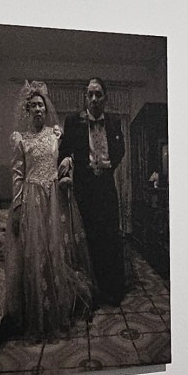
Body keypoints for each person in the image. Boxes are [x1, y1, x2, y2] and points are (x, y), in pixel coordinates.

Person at [6, 81, 92, 336]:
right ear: (27, 111)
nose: (37, 110)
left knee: (58, 250)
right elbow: (17, 175)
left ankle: (60, 304)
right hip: (32, 199)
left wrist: (68, 165)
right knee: (37, 252)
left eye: (40, 105)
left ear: (46, 108)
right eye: (32, 106)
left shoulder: (56, 134)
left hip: (55, 198)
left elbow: (70, 155)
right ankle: (39, 310)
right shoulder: (21, 140)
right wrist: (18, 205)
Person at [58, 77, 126, 305]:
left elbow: (120, 149)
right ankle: (92, 292)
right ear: (86, 97)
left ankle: (114, 289)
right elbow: (65, 151)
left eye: (98, 94)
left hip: (106, 186)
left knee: (111, 236)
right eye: (90, 94)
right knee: (89, 239)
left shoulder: (115, 122)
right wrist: (68, 165)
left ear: (105, 98)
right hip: (84, 189)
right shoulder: (72, 121)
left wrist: (108, 167)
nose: (94, 99)